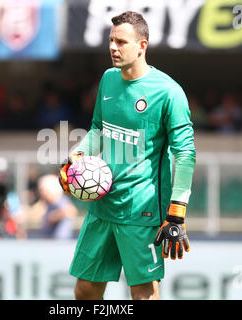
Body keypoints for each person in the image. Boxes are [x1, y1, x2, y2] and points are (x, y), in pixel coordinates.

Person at [59, 11, 196, 300]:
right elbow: (98, 128)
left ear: (142, 46)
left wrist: (176, 214)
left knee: (143, 293)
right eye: (111, 40)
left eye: (121, 42)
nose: (113, 47)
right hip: (102, 205)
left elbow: (185, 154)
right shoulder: (108, 79)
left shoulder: (169, 92)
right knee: (85, 289)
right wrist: (76, 157)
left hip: (141, 210)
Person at [38, 174, 77, 239]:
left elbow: (71, 210)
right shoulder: (49, 203)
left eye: (43, 190)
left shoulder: (59, 201)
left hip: (59, 242)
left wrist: (53, 217)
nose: (41, 193)